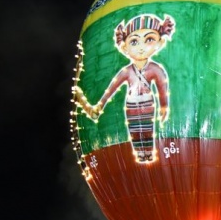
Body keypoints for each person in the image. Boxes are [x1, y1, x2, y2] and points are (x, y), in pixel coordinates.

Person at [72, 13, 172, 163]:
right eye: (134, 42)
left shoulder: (154, 69)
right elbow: (112, 88)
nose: (141, 48)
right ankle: (141, 153)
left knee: (147, 130)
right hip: (131, 105)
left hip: (148, 105)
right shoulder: (127, 71)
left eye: (149, 39)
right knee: (135, 131)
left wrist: (164, 105)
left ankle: (148, 153)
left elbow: (162, 86)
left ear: (160, 43)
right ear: (124, 47)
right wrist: (101, 104)